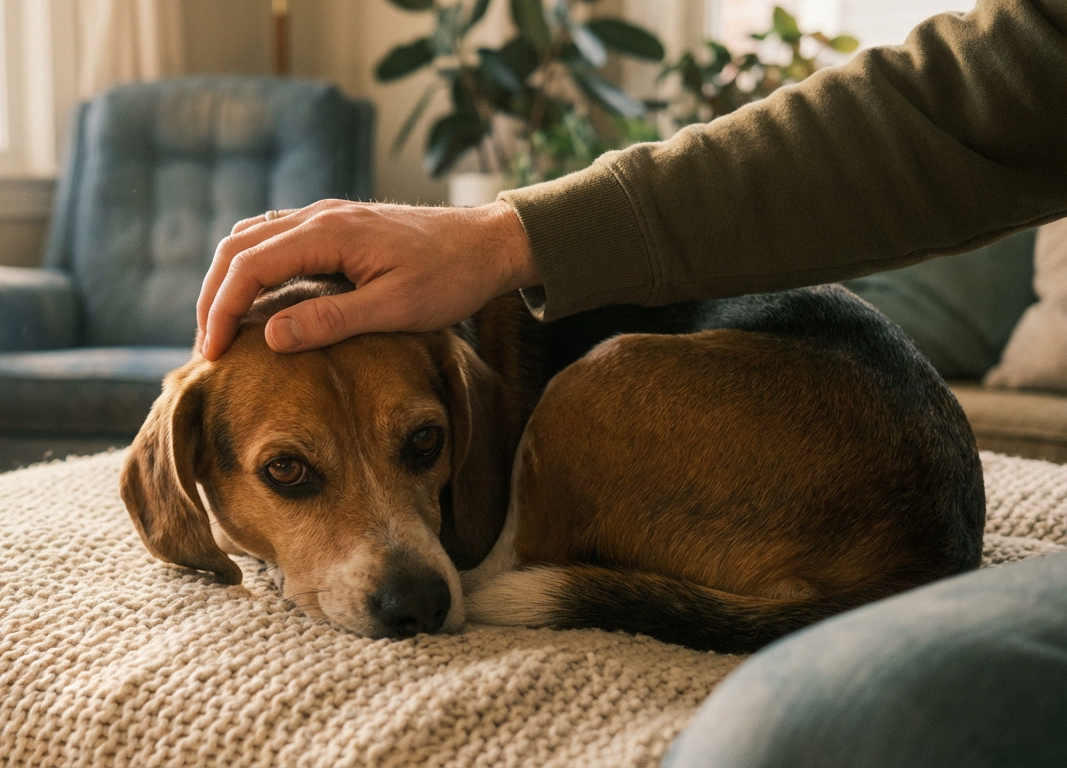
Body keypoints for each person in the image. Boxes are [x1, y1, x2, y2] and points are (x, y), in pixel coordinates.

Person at [198, 0, 1067, 765]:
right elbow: (965, 97)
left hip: (838, 464)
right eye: (290, 472)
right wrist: (508, 237)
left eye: (422, 445)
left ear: (462, 419)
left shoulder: (473, 376)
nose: (396, 558)